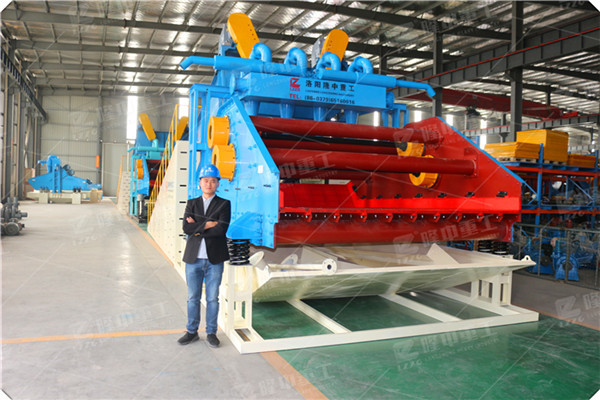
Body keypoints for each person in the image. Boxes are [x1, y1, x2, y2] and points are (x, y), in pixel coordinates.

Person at [178, 164, 230, 347]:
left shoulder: (224, 204)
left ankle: (211, 333)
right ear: (199, 183)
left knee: (212, 299)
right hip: (193, 259)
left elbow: (221, 230)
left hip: (214, 260)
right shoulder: (191, 203)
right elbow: (186, 228)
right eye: (205, 180)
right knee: (193, 297)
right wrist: (208, 224)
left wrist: (197, 227)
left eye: (213, 181)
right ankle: (191, 332)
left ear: (218, 183)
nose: (209, 184)